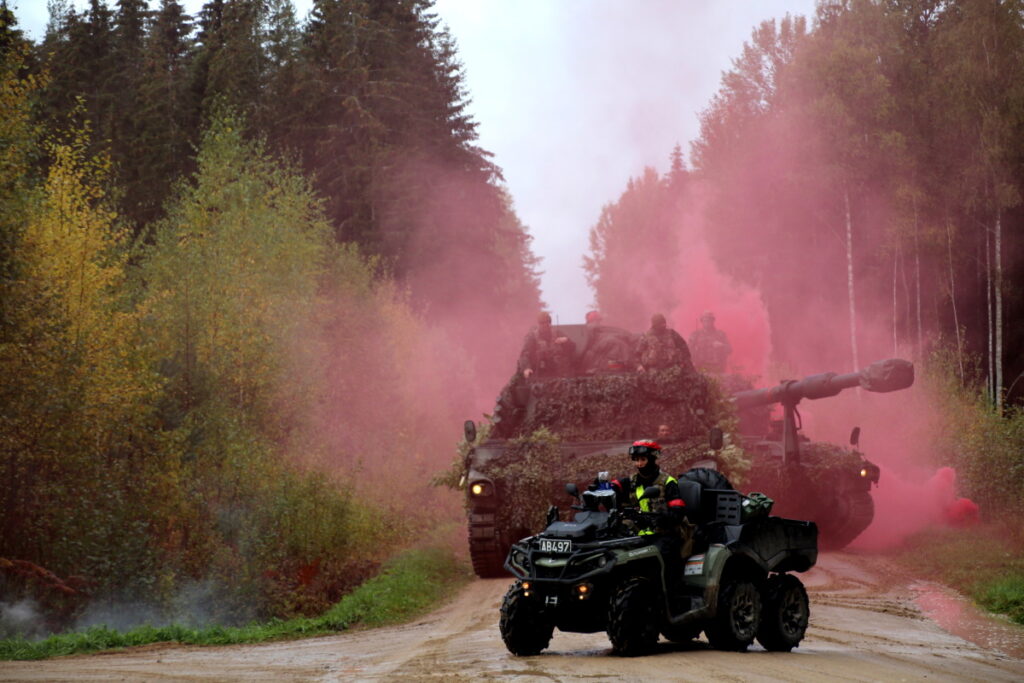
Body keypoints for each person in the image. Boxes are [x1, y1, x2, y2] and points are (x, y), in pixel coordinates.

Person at [605, 440, 692, 570]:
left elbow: (677, 513)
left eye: (643, 459)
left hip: (665, 533)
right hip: (639, 533)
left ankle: (669, 589)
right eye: (635, 460)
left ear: (652, 459)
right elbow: (612, 487)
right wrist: (603, 487)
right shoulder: (632, 481)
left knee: (661, 561)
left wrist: (659, 518)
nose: (639, 464)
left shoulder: (668, 482)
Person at [518, 312, 576, 379]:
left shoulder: (557, 333)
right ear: (539, 324)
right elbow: (525, 354)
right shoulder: (532, 337)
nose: (545, 325)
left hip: (559, 374)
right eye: (542, 323)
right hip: (540, 374)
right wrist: (526, 368)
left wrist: (566, 341)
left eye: (547, 322)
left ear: (550, 323)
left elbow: (573, 347)